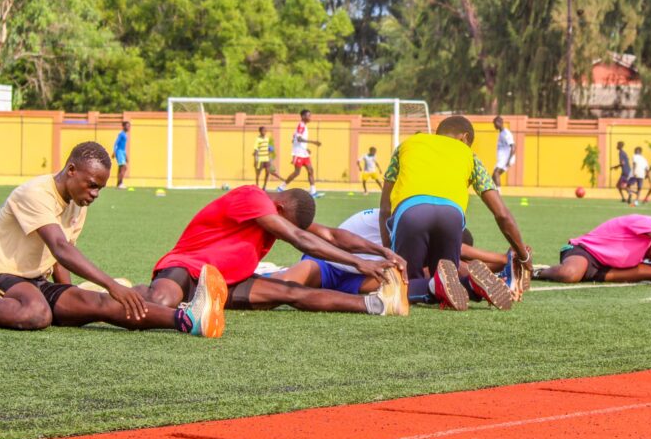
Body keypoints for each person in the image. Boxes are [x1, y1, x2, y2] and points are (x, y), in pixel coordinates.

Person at [0, 143, 226, 337]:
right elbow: (60, 247)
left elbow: (59, 259)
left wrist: (71, 296)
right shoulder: (35, 193)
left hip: (38, 283)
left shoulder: (78, 204)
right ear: (71, 170)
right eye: (91, 185)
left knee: (99, 303)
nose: (95, 193)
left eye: (100, 188)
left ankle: (187, 320)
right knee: (37, 312)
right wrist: (111, 284)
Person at [138, 185, 408, 316]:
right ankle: (132, 292)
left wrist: (383, 252)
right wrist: (359, 263)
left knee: (290, 292)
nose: (281, 231)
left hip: (223, 283)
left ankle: (375, 305)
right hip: (186, 267)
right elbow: (299, 238)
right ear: (279, 208)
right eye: (284, 223)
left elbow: (331, 235)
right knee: (161, 301)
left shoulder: (278, 214)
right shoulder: (252, 197)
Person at [379, 115, 532, 311]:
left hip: (411, 213)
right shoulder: (470, 156)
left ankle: (434, 286)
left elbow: (385, 208)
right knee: (446, 280)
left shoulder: (407, 145)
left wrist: (387, 252)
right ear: (464, 138)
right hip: (451, 217)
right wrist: (523, 257)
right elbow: (502, 214)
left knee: (400, 285)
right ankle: (474, 286)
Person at [270, 208, 528, 303]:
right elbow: (459, 252)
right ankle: (472, 283)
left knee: (430, 275)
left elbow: (457, 258)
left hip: (363, 275)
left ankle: (475, 283)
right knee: (283, 286)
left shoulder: (413, 225)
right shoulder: (403, 222)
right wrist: (506, 257)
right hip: (329, 264)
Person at [278, 109, 322, 197]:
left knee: (310, 170)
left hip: (303, 153)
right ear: (303, 116)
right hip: (298, 153)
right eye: (308, 116)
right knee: (297, 173)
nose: (310, 117)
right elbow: (299, 139)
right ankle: (281, 187)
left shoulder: (303, 126)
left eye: (310, 115)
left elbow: (294, 139)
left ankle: (313, 192)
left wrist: (305, 148)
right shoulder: (301, 126)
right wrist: (314, 142)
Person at [492, 116, 516, 188]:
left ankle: (498, 193)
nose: (494, 125)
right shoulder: (501, 133)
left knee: (496, 173)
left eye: (495, 123)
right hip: (503, 159)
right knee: (493, 176)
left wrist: (508, 160)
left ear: (499, 123)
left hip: (506, 158)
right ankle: (494, 192)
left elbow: (513, 146)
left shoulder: (506, 133)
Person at [112, 121, 130, 189]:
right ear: (123, 126)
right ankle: (120, 183)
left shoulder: (125, 134)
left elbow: (123, 146)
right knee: (124, 167)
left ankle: (118, 184)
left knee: (121, 168)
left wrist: (125, 155)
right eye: (127, 126)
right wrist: (114, 151)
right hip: (119, 152)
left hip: (122, 152)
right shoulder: (121, 134)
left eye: (129, 126)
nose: (128, 127)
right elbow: (116, 143)